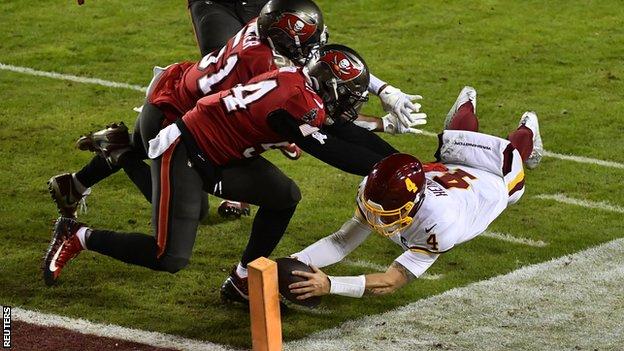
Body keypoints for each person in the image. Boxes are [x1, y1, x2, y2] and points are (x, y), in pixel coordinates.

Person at [42, 44, 412, 308]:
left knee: (284, 196)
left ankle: (241, 280)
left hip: (226, 151)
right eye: (349, 96)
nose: (352, 104)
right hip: (187, 149)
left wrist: (410, 164)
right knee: (169, 256)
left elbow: (344, 133)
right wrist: (392, 167)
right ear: (328, 88)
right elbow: (334, 150)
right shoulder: (296, 102)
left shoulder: (301, 86)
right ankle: (78, 234)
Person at [51, 0, 426, 219]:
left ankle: (83, 177)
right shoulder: (268, 64)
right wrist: (380, 121)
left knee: (179, 129)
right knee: (185, 202)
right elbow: (316, 102)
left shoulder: (271, 34)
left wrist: (383, 89)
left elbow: (319, 59)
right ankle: (125, 153)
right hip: (188, 100)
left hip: (193, 85)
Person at [287, 86, 544, 300]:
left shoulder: (441, 224)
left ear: (415, 202)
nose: (378, 220)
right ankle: (465, 107)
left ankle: (529, 128)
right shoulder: (375, 189)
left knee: (515, 153)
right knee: (455, 142)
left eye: (388, 214)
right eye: (377, 211)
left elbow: (390, 281)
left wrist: (331, 284)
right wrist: (294, 260)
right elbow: (341, 241)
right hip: (450, 170)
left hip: (494, 181)